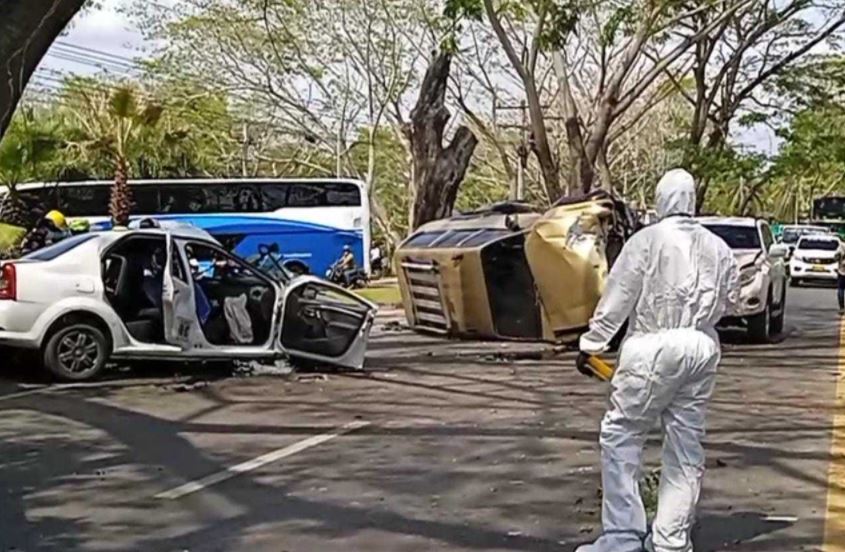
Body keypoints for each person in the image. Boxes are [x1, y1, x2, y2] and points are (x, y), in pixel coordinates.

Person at [575, 169, 740, 552]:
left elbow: (618, 297)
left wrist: (592, 343)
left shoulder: (646, 241)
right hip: (701, 347)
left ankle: (622, 536)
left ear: (662, 199)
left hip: (651, 347)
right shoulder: (718, 247)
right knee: (685, 445)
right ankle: (671, 540)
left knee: (622, 435)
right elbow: (730, 302)